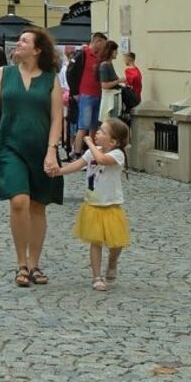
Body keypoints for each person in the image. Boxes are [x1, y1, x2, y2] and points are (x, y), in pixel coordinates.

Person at [0, 26, 64, 288]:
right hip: (10, 147)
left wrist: (52, 150)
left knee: (38, 205)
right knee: (19, 201)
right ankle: (20, 263)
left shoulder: (51, 78)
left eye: (24, 41)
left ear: (37, 49)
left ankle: (34, 262)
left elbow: (56, 118)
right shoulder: (3, 75)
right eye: (18, 40)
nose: (18, 44)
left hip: (41, 149)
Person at [59, 118, 131, 291]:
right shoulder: (94, 151)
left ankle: (112, 262)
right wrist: (59, 171)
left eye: (102, 131)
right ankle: (96, 277)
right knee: (96, 242)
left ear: (113, 141)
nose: (97, 132)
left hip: (111, 206)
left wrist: (89, 143)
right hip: (93, 205)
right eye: (98, 129)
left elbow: (101, 159)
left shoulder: (117, 154)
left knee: (117, 243)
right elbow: (78, 164)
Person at [68, 32, 106, 154]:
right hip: (85, 94)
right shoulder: (82, 54)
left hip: (98, 94)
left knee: (94, 125)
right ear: (97, 42)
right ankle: (77, 152)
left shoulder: (100, 57)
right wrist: (74, 92)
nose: (103, 49)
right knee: (83, 126)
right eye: (103, 45)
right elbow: (70, 72)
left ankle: (91, 151)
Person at [97, 39, 125, 124]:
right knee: (112, 122)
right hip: (110, 97)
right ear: (111, 51)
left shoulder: (109, 64)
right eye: (116, 50)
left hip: (114, 96)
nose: (117, 52)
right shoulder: (105, 65)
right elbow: (104, 85)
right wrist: (118, 81)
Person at [122, 51, 143, 120]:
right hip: (138, 96)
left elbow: (128, 85)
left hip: (131, 97)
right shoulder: (137, 70)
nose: (124, 60)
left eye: (125, 58)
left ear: (129, 59)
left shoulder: (128, 71)